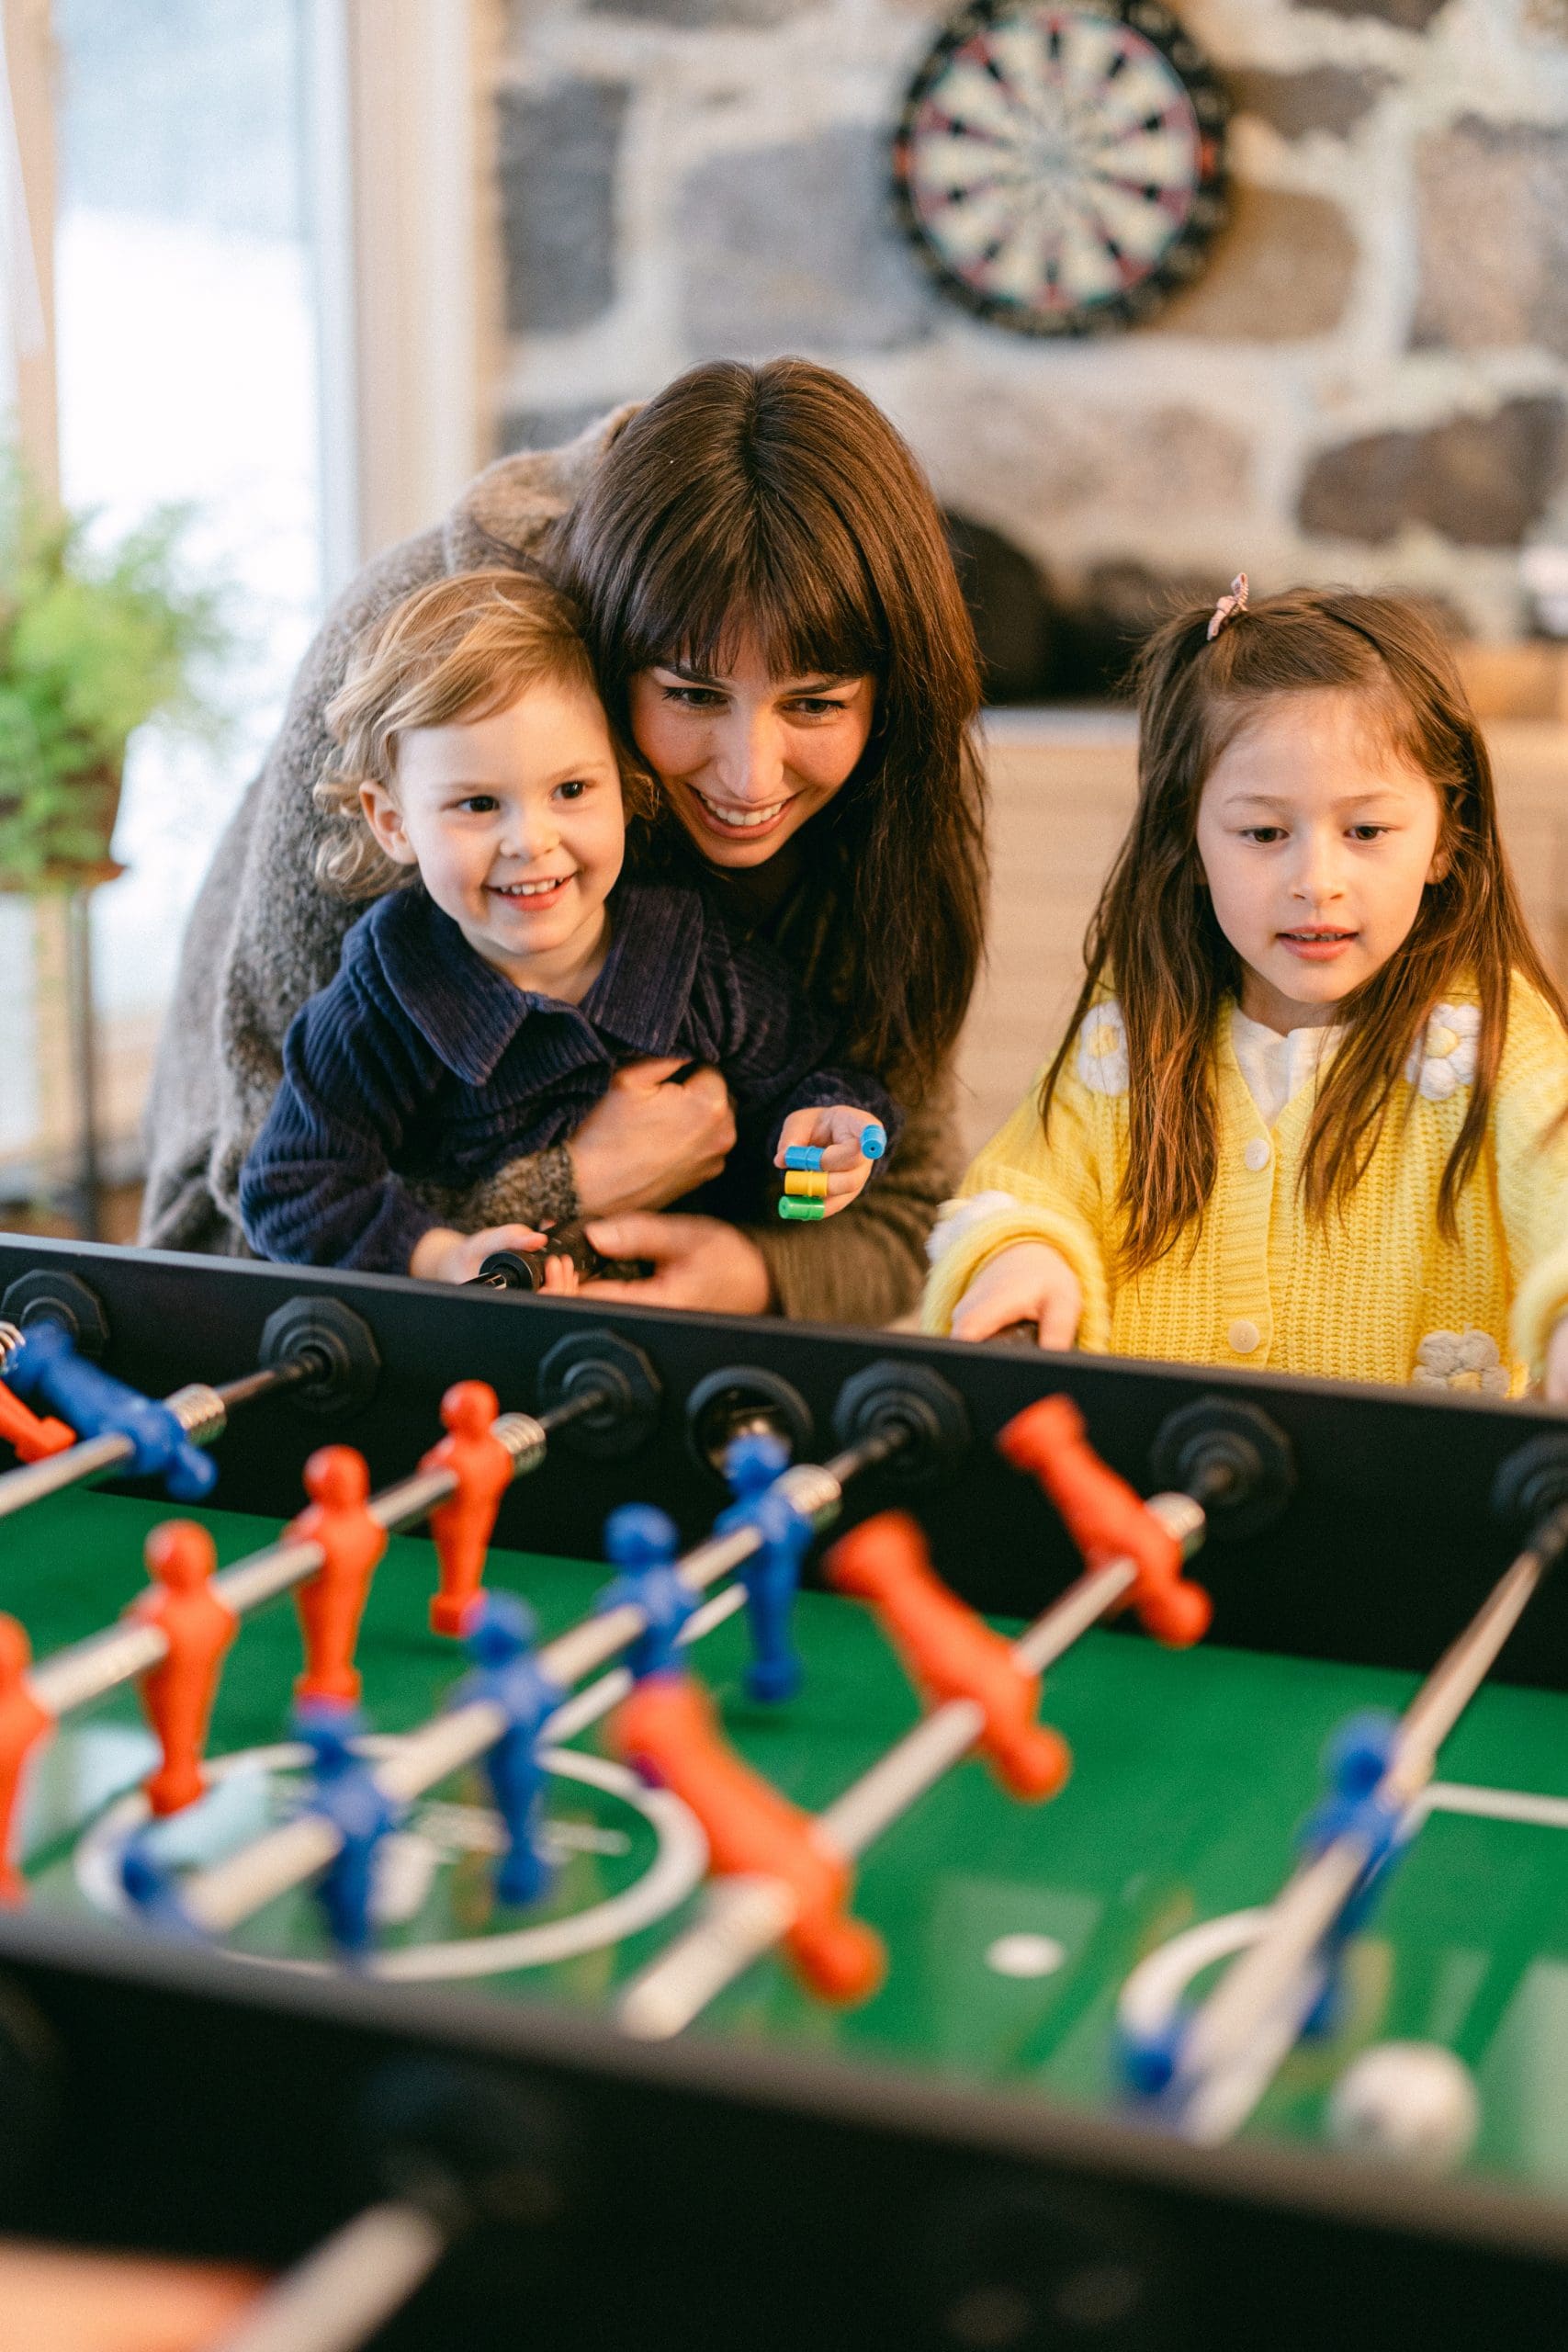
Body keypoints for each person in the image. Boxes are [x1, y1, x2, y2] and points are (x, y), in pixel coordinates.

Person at [141, 359, 987, 1325]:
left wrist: (765, 1257)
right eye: (692, 694)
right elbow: (259, 1212)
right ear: (606, 651)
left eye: (818, 703)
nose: (751, 778)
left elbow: (894, 1201)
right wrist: (567, 1191)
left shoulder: (778, 890)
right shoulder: (424, 679)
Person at [924, 581, 1568, 1399]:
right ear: (1189, 844)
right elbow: (1022, 1188)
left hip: (1409, 1517)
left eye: (1365, 831)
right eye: (1263, 833)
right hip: (1152, 1503)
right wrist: (1023, 1255)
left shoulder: (1496, 1039)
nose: (1316, 881)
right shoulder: (1130, 1030)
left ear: (1447, 837)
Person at [237, 571, 894, 1279]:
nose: (532, 840)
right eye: (478, 804)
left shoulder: (696, 959)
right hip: (473, 1358)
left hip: (668, 1345)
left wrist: (829, 1133)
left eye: (571, 790)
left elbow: (813, 1091)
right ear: (394, 823)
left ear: (627, 783)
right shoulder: (385, 997)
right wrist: (440, 1256)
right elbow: (293, 1193)